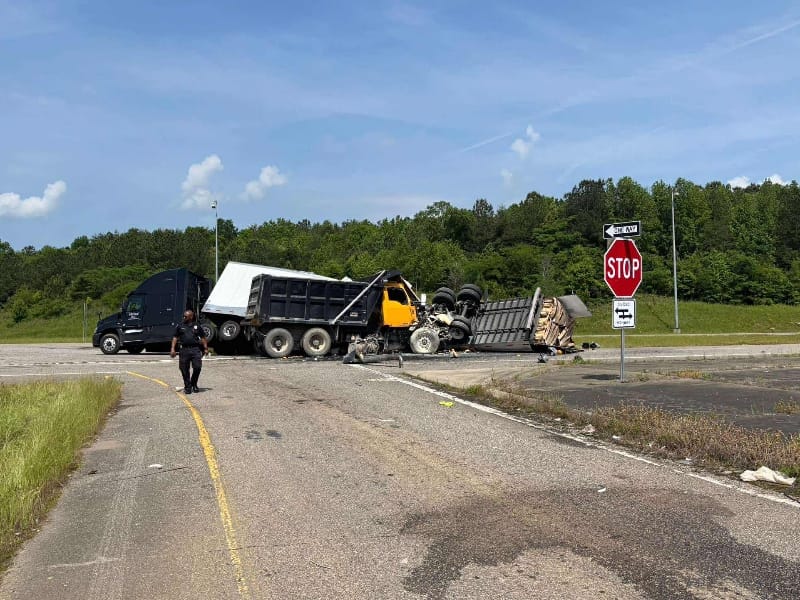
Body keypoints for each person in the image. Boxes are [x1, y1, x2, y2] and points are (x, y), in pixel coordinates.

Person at [170, 310, 208, 394]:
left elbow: (203, 337)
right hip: (184, 350)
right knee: (184, 369)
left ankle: (194, 384)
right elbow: (175, 337)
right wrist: (173, 349)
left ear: (191, 317)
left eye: (186, 316)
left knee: (197, 367)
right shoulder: (180, 326)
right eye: (183, 316)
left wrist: (205, 348)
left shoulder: (197, 326)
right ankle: (187, 387)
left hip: (195, 349)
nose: (184, 317)